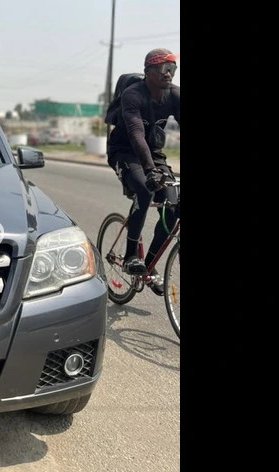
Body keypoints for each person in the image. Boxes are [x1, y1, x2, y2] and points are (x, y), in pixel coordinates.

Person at [107, 48, 180, 296]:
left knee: (173, 205)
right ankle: (130, 256)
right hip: (124, 151)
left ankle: (148, 266)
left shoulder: (175, 95)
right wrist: (150, 172)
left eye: (172, 69)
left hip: (154, 153)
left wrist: (155, 167)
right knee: (145, 189)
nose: (169, 74)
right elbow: (136, 135)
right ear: (148, 71)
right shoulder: (133, 95)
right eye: (163, 69)